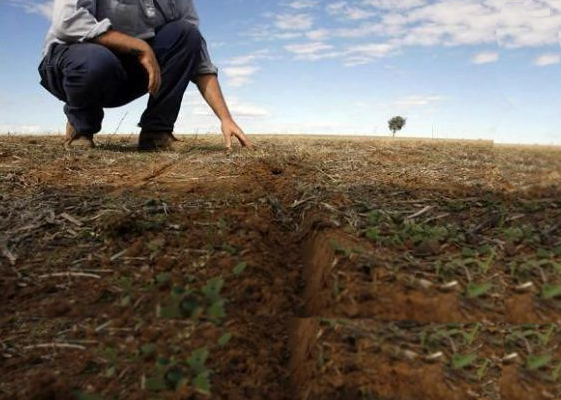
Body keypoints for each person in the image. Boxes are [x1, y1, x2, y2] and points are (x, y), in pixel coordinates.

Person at [38, 0, 253, 151]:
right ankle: (80, 128)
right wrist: (138, 46)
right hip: (72, 63)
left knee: (187, 35)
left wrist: (226, 118)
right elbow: (67, 22)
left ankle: (157, 132)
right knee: (96, 59)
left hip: (128, 71)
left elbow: (198, 56)